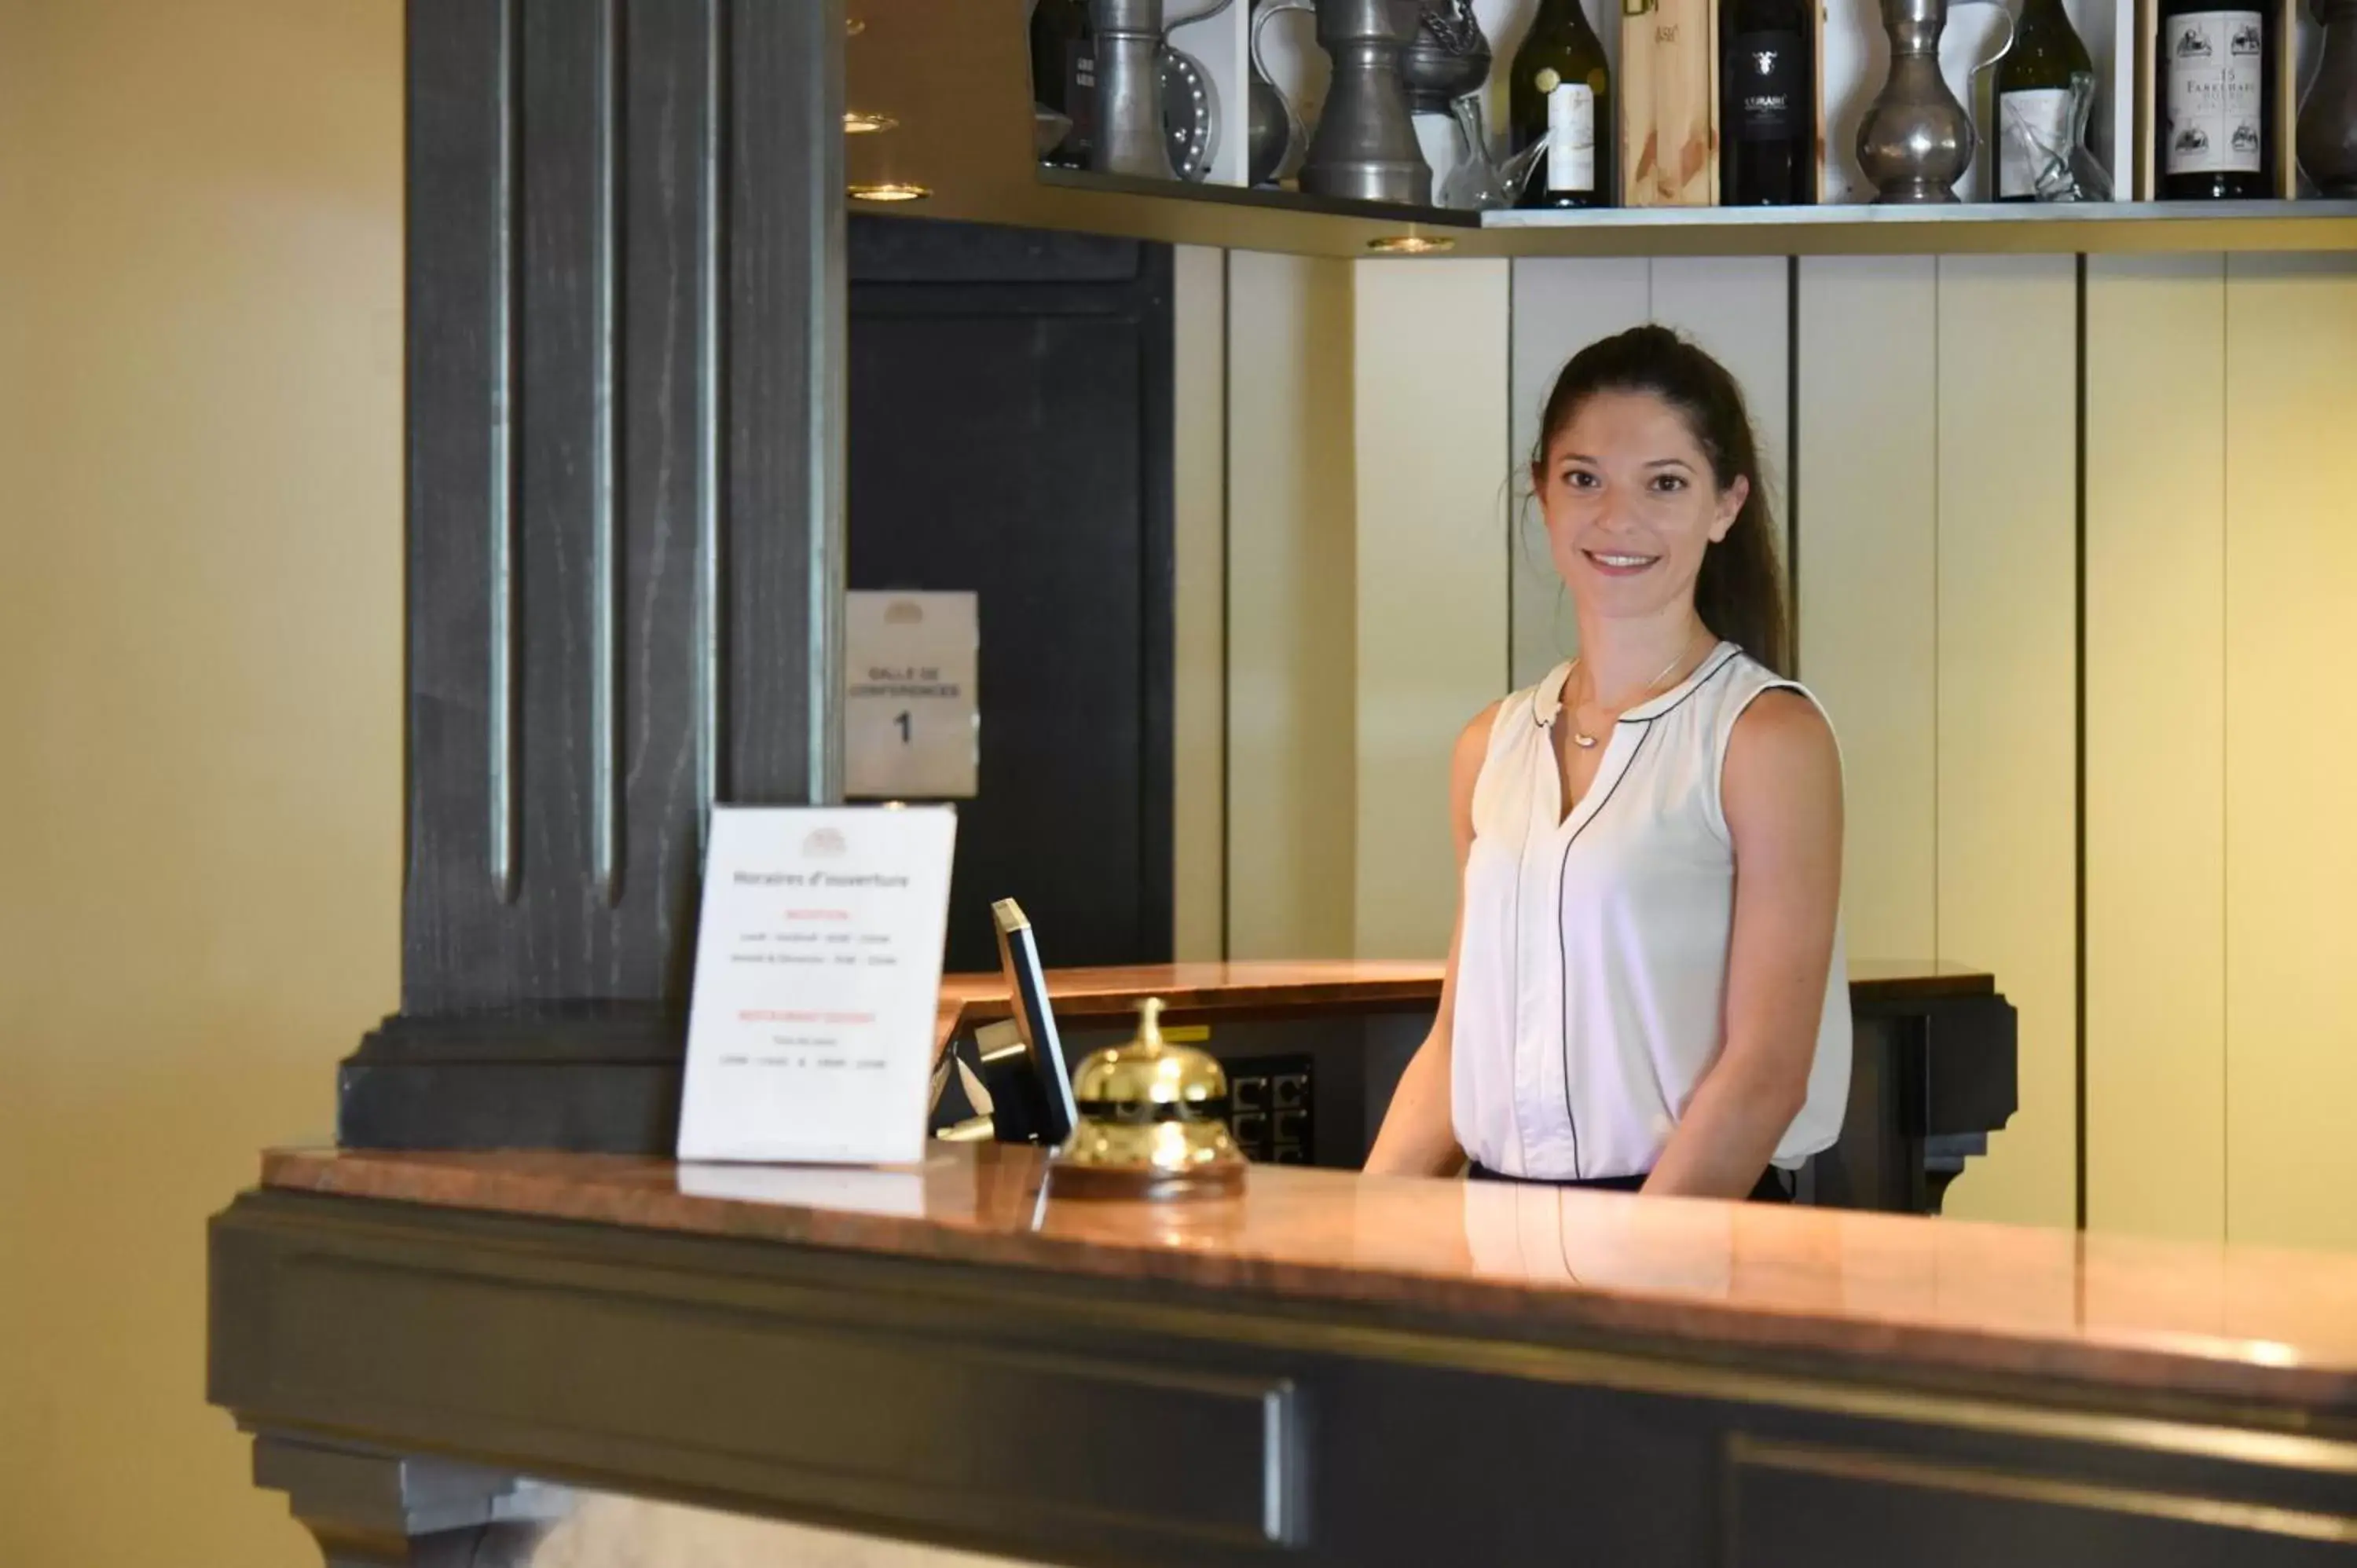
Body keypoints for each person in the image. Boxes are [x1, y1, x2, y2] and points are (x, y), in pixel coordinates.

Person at [1363, 325, 1849, 1201]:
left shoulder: (1766, 738)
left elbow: (1768, 1070)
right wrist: (1348, 1240)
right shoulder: (1491, 745)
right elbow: (1456, 1044)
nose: (1617, 519)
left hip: (1687, 1230)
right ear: (1542, 492)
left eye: (1664, 484)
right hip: (1495, 1224)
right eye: (1584, 478)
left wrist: (1622, 1282)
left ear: (1726, 506)